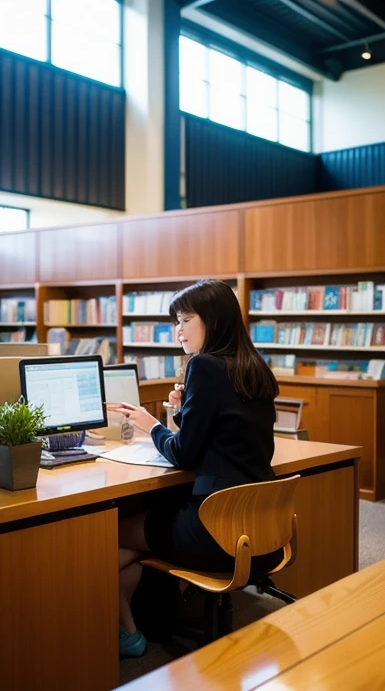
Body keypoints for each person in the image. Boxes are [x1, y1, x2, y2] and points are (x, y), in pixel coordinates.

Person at [108, 279, 279, 658]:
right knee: (138, 534)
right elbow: (222, 436)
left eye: (186, 319)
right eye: (176, 322)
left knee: (111, 533)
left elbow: (185, 455)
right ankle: (133, 624)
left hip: (214, 531)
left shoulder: (203, 365)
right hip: (260, 530)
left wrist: (148, 423)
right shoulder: (253, 367)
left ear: (213, 320)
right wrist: (184, 410)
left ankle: (126, 632)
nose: (178, 330)